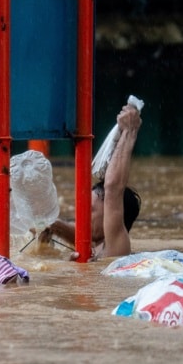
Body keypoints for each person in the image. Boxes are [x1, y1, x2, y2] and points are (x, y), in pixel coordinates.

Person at [39, 104, 143, 259]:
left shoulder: (115, 247)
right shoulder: (96, 244)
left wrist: (129, 131)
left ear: (112, 216)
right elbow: (77, 232)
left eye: (91, 210)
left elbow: (113, 188)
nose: (82, 216)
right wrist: (52, 226)